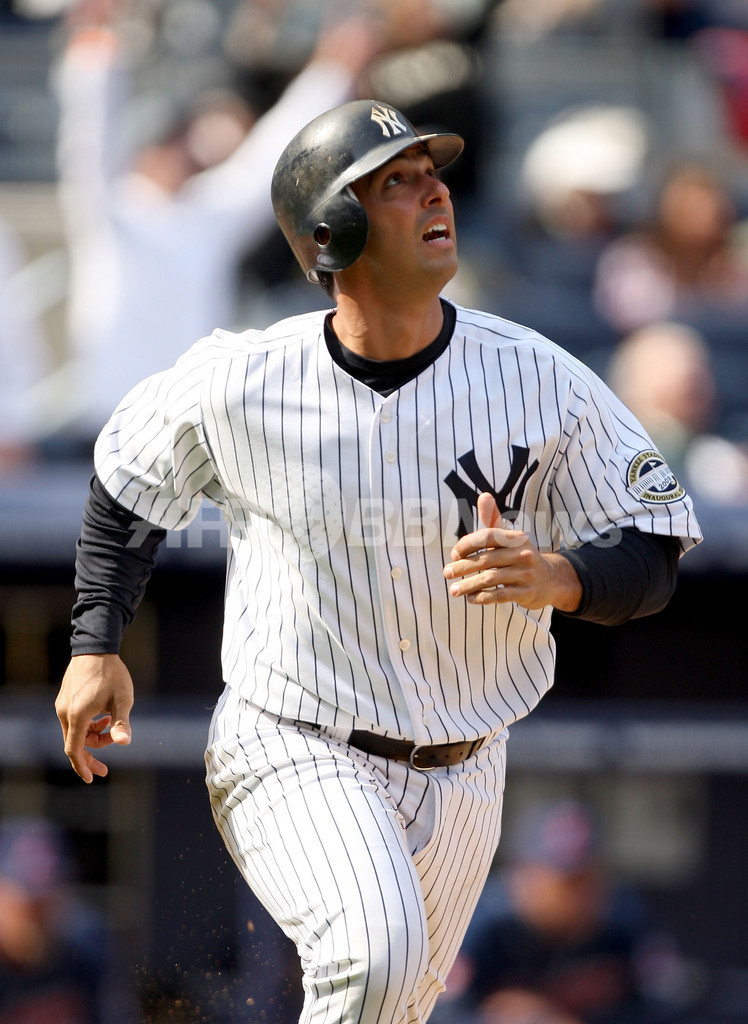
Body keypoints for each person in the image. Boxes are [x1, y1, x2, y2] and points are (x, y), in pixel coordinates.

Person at [55, 99, 702, 1024]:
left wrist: (561, 577)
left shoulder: (539, 377)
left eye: (432, 174)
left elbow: (653, 546)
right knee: (375, 962)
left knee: (389, 1007)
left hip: (469, 766)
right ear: (331, 231)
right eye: (396, 181)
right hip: (295, 741)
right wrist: (94, 644)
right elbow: (127, 483)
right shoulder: (242, 378)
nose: (434, 192)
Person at [53, 0, 379, 445]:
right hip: (110, 427)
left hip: (191, 428)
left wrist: (331, 73)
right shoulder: (111, 210)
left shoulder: (204, 215)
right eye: (175, 145)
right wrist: (97, 48)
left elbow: (269, 160)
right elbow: (89, 145)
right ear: (149, 149)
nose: (185, 158)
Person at [439, 800, 695, 1024]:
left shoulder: (625, 918)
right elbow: (439, 1013)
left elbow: (672, 1005)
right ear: (522, 873)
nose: (578, 893)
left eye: (586, 877)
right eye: (563, 881)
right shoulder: (482, 922)